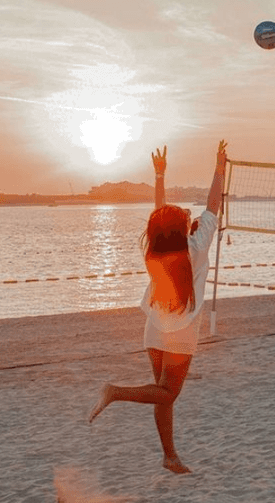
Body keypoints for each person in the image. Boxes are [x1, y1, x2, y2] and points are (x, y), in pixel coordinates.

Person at [88, 140, 228, 474]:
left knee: (159, 393)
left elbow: (159, 214)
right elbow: (212, 205)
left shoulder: (154, 253)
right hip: (179, 335)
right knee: (166, 394)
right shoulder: (197, 246)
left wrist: (161, 175)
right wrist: (220, 167)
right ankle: (114, 391)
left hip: (154, 328)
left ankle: (169, 456)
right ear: (183, 228)